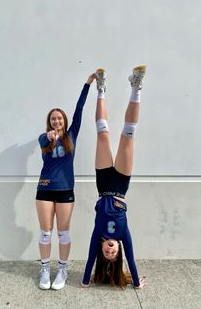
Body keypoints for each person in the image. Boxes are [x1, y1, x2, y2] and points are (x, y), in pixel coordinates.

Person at [81, 66, 147, 289]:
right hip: (120, 186)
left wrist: (85, 280)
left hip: (103, 185)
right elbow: (132, 259)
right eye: (113, 252)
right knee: (128, 136)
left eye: (106, 252)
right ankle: (136, 86)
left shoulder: (98, 234)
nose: (109, 250)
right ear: (118, 249)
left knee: (102, 134)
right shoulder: (123, 234)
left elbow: (90, 260)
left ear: (102, 248)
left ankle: (101, 88)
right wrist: (136, 283)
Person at [36, 73, 95, 290]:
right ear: (50, 122)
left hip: (65, 191)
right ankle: (44, 269)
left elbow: (79, 109)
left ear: (64, 120)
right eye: (53, 118)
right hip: (44, 189)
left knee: (63, 233)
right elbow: (46, 140)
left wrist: (87, 85)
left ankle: (62, 268)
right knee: (45, 232)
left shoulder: (72, 135)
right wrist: (50, 137)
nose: (57, 121)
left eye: (59, 118)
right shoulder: (44, 138)